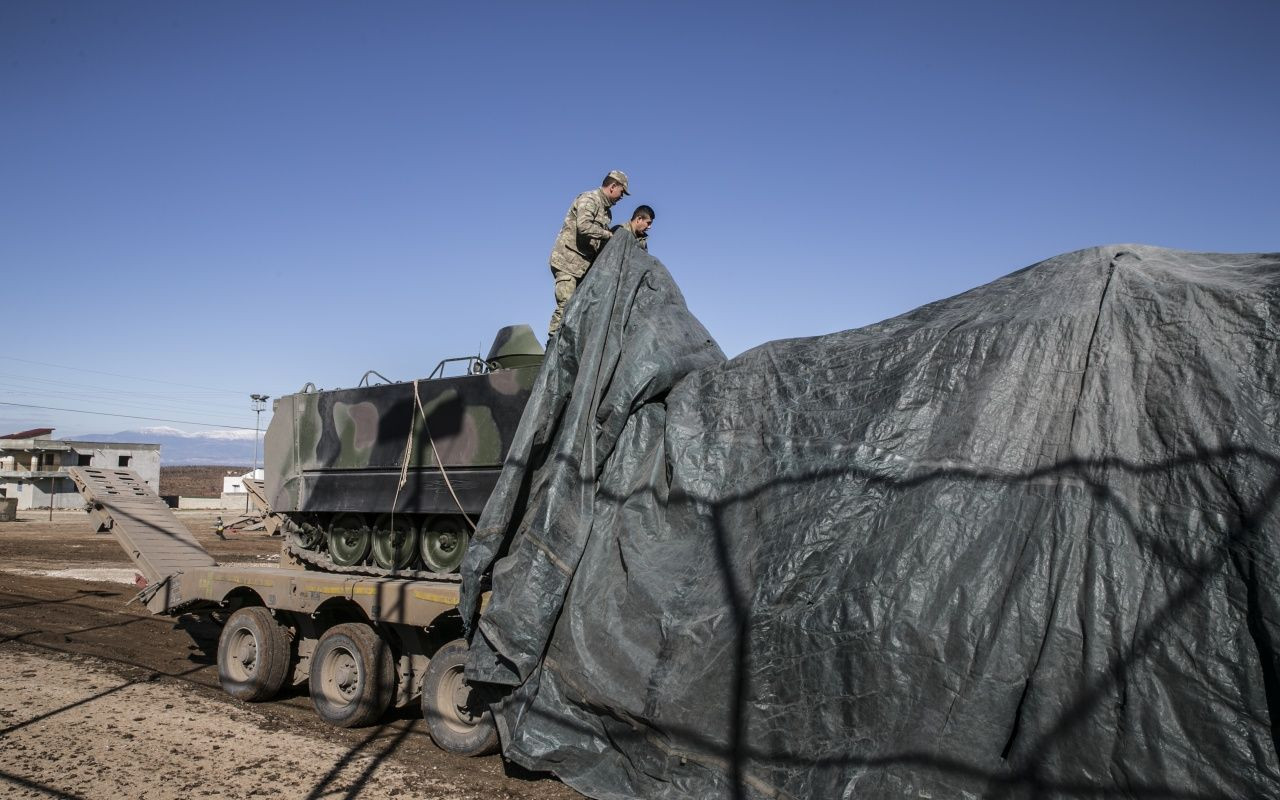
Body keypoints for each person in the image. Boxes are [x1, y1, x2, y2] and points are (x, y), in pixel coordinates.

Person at [547, 170, 629, 339]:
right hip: (567, 263)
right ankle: (551, 347)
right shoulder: (590, 199)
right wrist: (608, 235)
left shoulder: (607, 213)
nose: (622, 197)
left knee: (580, 311)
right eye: (622, 192)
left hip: (583, 268)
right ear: (613, 186)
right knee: (566, 305)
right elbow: (583, 226)